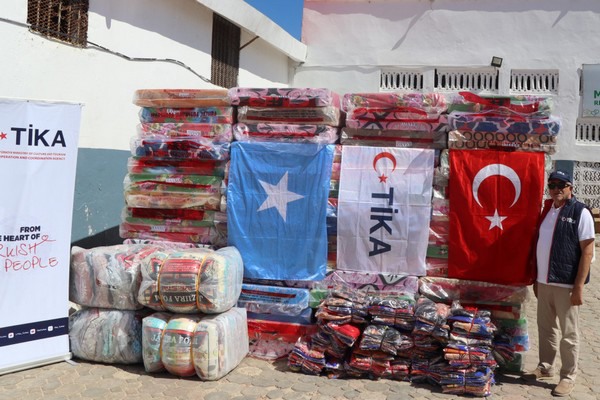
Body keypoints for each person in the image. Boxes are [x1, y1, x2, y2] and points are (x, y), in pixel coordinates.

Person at [522, 170, 595, 397]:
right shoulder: (547, 210)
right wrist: (536, 278)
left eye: (561, 185)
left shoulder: (580, 212)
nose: (556, 189)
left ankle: (568, 376)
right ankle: (545, 367)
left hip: (566, 285)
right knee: (545, 328)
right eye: (552, 185)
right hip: (544, 281)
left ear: (570, 187)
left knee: (568, 334)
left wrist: (579, 287)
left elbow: (588, 251)